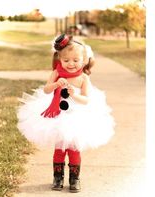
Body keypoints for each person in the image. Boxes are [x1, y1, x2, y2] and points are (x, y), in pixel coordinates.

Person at [17, 34, 115, 193]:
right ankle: (58, 177)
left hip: (76, 117)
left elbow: (85, 99)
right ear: (59, 60)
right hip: (57, 117)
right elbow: (47, 89)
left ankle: (74, 179)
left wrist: (73, 94)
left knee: (74, 149)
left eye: (76, 60)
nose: (71, 64)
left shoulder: (83, 78)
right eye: (66, 60)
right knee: (59, 149)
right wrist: (56, 83)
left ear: (83, 61)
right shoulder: (57, 72)